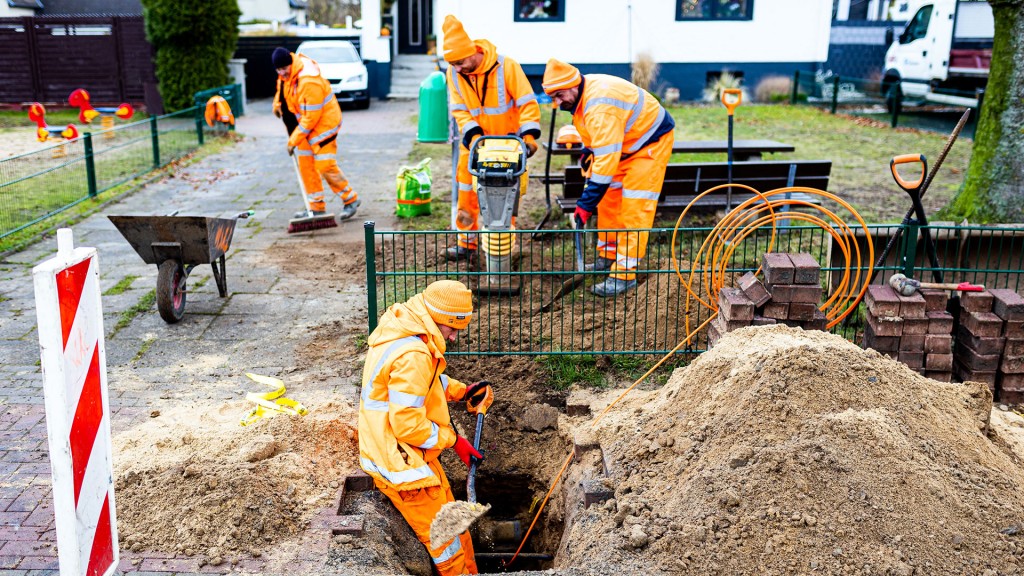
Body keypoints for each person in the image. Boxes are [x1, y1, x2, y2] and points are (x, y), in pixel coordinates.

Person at [357, 280, 494, 575]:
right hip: (400, 464)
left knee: (456, 527)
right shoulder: (414, 354)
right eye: (452, 328)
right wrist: (453, 440)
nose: (454, 337)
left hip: (403, 451)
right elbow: (408, 425)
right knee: (447, 544)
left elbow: (422, 385)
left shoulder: (406, 329)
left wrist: (461, 391)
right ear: (438, 318)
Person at [542, 59, 675, 296]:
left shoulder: (599, 105)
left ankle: (624, 274)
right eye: (554, 97)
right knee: (609, 202)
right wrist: (588, 150)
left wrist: (585, 204)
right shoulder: (582, 97)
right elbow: (599, 139)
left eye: (560, 95)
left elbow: (605, 164)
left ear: (573, 86)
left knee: (635, 208)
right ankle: (608, 256)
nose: (558, 102)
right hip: (623, 146)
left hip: (648, 145)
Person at [441, 15, 542, 261]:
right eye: (452, 63)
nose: (457, 68)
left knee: (506, 195)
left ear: (473, 52)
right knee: (466, 190)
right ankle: (467, 243)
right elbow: (459, 109)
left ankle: (503, 247)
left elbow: (527, 102)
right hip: (474, 144)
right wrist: (473, 132)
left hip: (507, 145)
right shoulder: (453, 74)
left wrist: (528, 137)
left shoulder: (506, 66)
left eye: (460, 62)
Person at [271, 47, 360, 222]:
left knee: (325, 165)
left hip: (323, 125)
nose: (282, 73)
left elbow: (312, 117)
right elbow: (283, 91)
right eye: (278, 70)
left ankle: (351, 199)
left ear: (291, 63)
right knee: (306, 166)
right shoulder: (287, 75)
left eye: (284, 69)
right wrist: (277, 105)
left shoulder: (308, 81)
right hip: (304, 126)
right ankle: (316, 207)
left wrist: (293, 140)